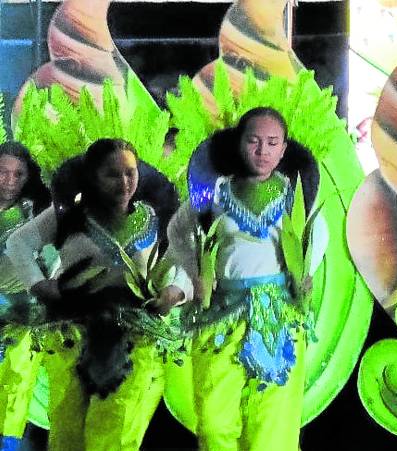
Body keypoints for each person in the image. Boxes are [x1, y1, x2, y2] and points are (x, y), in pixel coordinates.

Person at [5, 138, 183, 450]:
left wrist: (174, 292)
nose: (124, 183)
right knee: (67, 432)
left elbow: (187, 256)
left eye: (130, 173)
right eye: (112, 175)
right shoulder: (67, 215)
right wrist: (39, 284)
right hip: (71, 335)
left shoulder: (154, 217)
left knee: (115, 431)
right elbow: (18, 243)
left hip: (134, 338)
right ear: (92, 176)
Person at [167, 107, 327, 450]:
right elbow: (178, 231)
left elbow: (318, 234)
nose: (262, 151)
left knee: (271, 427)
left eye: (272, 143)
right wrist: (196, 277)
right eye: (254, 141)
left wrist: (304, 273)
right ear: (239, 143)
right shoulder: (215, 193)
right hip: (221, 316)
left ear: (284, 150)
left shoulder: (293, 196)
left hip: (276, 319)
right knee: (213, 421)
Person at [0, 141, 51, 450]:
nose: (10, 181)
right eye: (3, 172)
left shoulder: (33, 215)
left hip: (22, 316)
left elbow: (49, 264)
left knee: (15, 395)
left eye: (18, 175)